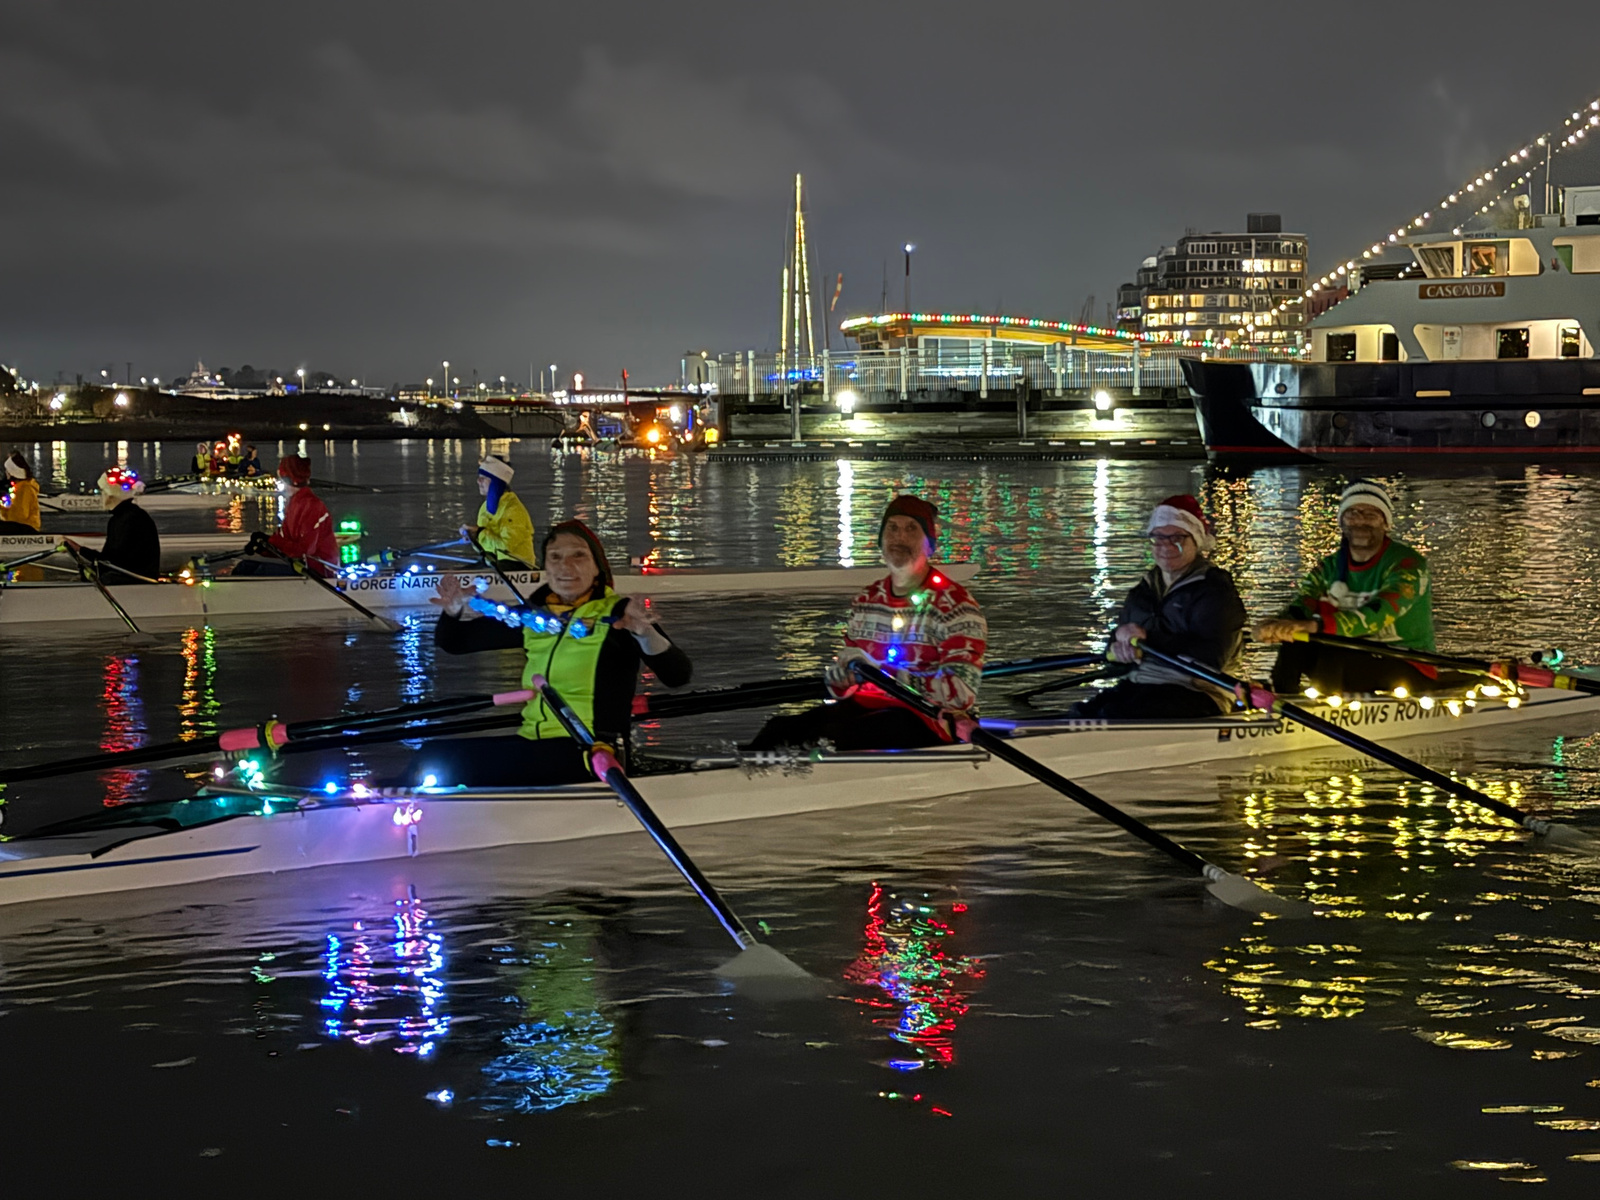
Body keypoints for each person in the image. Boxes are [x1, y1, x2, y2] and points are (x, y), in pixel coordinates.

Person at [421, 519, 692, 786]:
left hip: (594, 752)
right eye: (555, 557)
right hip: (535, 744)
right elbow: (455, 643)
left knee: (445, 764)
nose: (566, 566)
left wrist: (644, 633)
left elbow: (677, 675)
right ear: (546, 568)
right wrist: (453, 609)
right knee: (432, 755)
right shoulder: (535, 618)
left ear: (597, 567)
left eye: (579, 555)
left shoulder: (620, 615)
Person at [750, 494, 987, 751]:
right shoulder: (867, 599)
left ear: (929, 545)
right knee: (777, 729)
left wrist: (887, 674)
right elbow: (844, 678)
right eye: (892, 528)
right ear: (881, 540)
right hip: (864, 709)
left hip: (926, 719)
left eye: (911, 529)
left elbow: (961, 693)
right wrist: (840, 681)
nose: (900, 537)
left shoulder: (956, 606)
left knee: (830, 739)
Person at [1255, 479, 1442, 696]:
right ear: (1342, 522)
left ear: (1386, 524)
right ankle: (1282, 696)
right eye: (1352, 514)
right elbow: (1302, 605)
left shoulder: (1408, 564)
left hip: (1406, 664)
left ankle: (1325, 710)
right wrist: (1275, 625)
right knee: (1296, 640)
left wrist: (1312, 626)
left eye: (1371, 515)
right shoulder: (1329, 567)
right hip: (1350, 659)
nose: (1360, 521)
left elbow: (1378, 614)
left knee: (1331, 649)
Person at [1069, 494, 1246, 718]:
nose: (1165, 546)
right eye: (1158, 538)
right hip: (1140, 684)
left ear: (1196, 540)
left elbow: (1212, 657)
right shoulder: (1141, 592)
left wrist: (1147, 639)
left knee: (1119, 713)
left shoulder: (1215, 591)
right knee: (1083, 712)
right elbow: (1116, 655)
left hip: (1198, 691)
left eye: (1176, 538)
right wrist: (1116, 646)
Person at [233, 455, 338, 577]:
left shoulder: (313, 506)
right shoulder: (293, 503)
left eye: (282, 479)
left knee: (261, 571)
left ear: (289, 479)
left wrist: (270, 541)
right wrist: (263, 547)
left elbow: (304, 550)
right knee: (245, 567)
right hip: (298, 562)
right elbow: (284, 541)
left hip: (319, 569)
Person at [65, 466, 160, 583]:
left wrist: (79, 549)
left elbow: (112, 560)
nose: (101, 496)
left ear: (110, 495)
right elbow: (112, 559)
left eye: (103, 492)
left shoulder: (127, 520)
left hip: (135, 579)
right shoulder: (130, 516)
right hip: (135, 575)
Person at [463, 455, 536, 568]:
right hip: (493, 561)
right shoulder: (484, 507)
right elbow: (486, 546)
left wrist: (479, 533)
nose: (478, 481)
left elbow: (504, 548)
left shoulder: (513, 510)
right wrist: (473, 537)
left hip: (517, 564)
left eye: (483, 478)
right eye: (479, 477)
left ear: (496, 483)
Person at [0, 451, 41, 533]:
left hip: (25, 529)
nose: (6, 473)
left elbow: (20, 515)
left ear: (12, 472)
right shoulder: (19, 487)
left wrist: (3, 515)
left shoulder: (25, 489)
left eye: (7, 470)